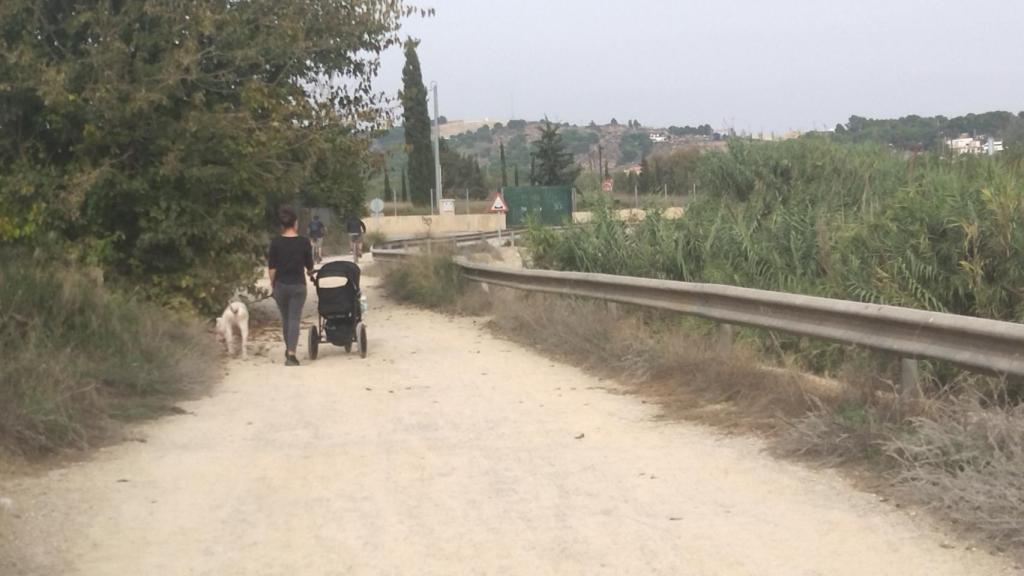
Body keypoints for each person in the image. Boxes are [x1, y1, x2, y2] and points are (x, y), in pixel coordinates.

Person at [268, 207, 314, 366]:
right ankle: (291, 354)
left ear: (282, 225)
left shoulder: (275, 242)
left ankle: (288, 349)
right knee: (294, 318)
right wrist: (311, 273)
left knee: (286, 319)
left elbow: (272, 268)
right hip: (298, 286)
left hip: (281, 285)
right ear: (295, 223)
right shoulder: (304, 242)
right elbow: (309, 266)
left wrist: (273, 286)